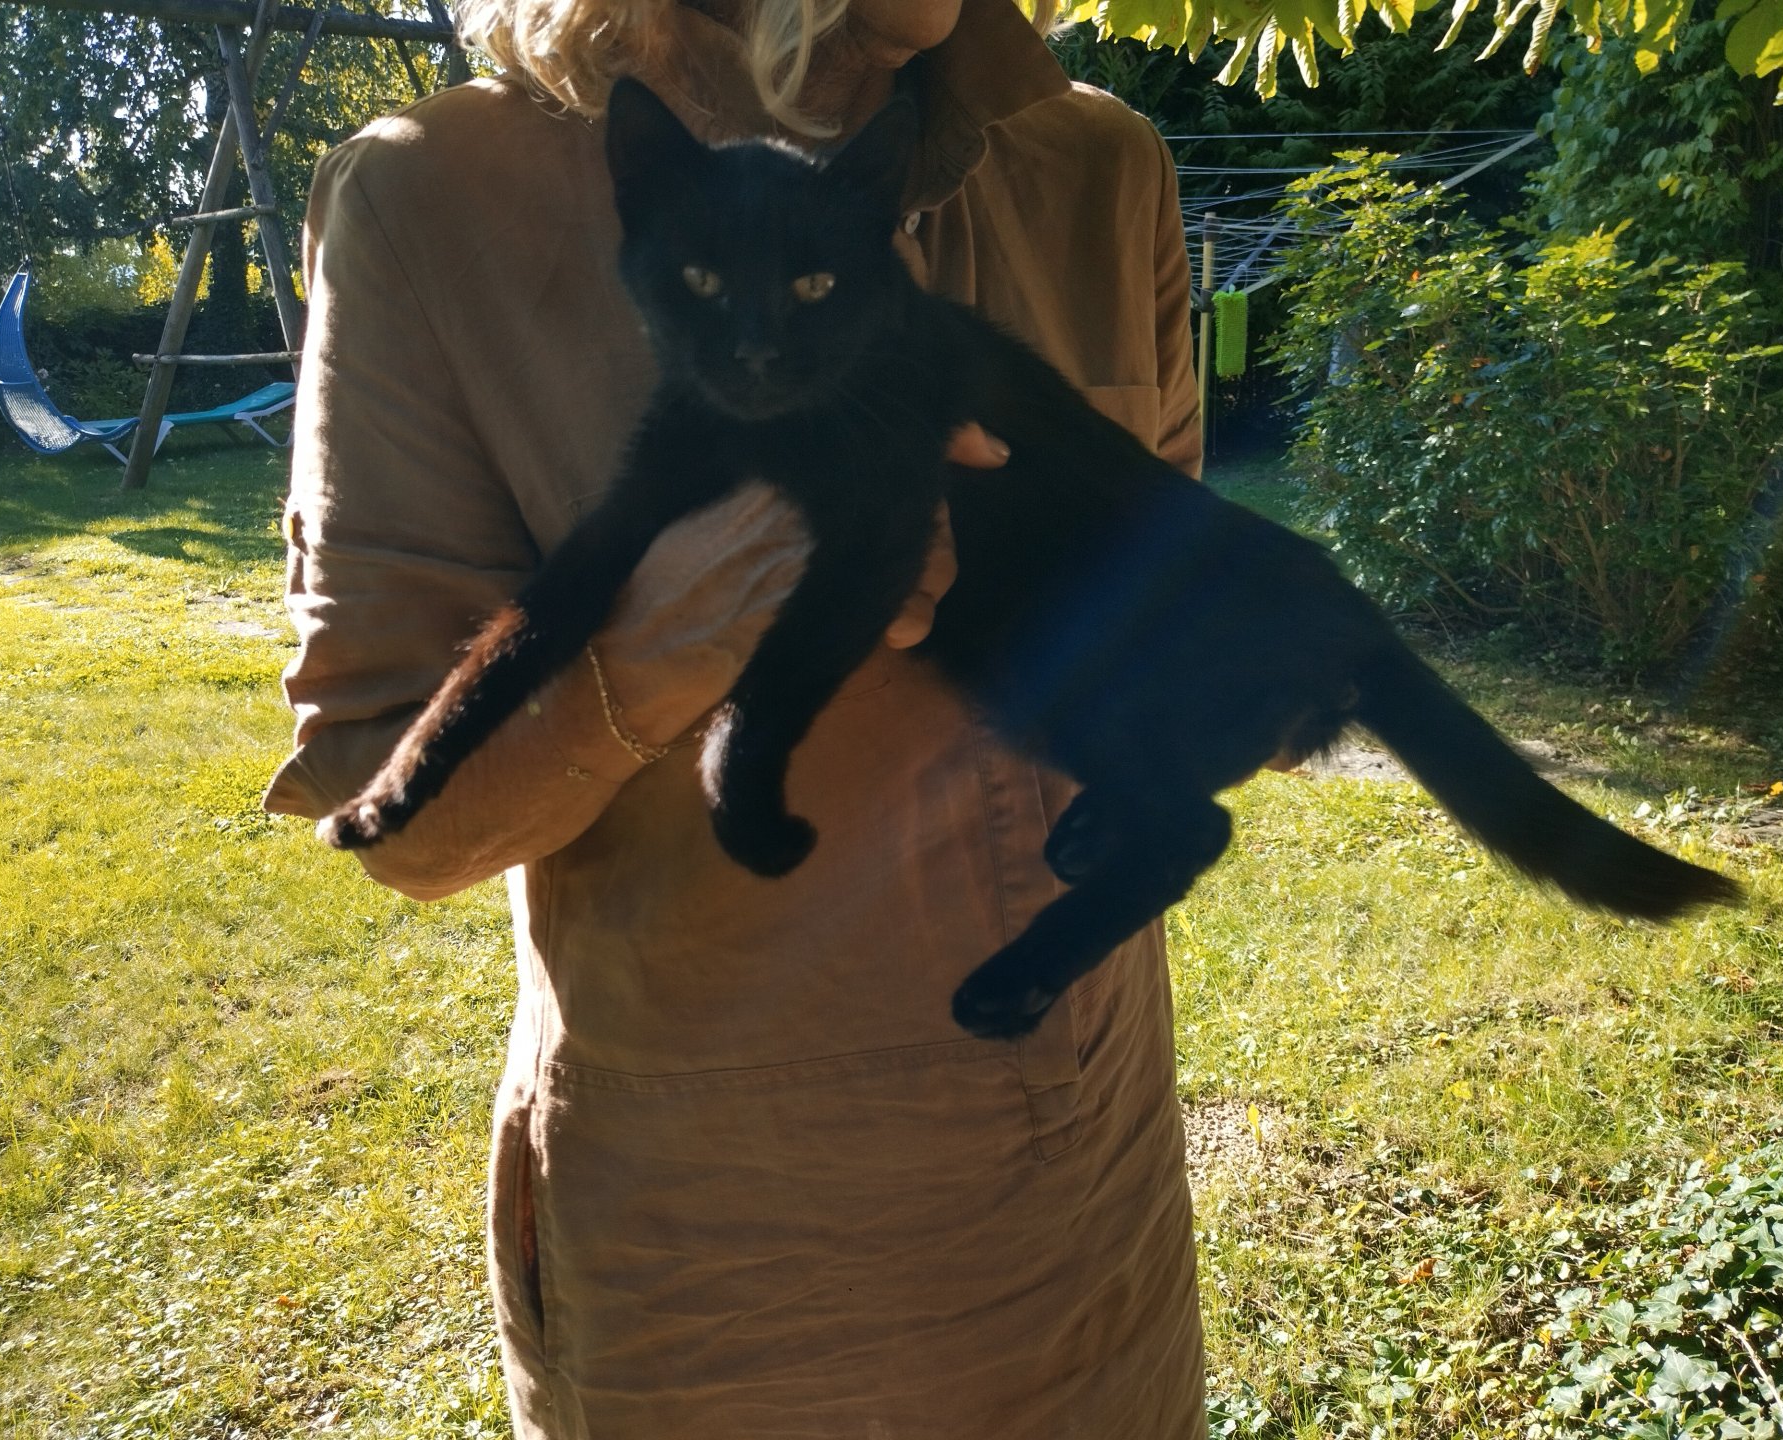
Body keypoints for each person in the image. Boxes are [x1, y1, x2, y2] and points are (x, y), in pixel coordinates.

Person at [261, 0, 1208, 1434]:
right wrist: (666, 639)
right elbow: (387, 807)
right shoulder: (432, 196)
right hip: (720, 1271)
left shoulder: (1097, 162)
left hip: (1092, 1213)